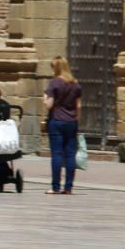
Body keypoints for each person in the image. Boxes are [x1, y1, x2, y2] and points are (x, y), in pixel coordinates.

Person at [44, 56, 82, 195]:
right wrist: (76, 119)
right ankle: (68, 187)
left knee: (57, 154)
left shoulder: (54, 83)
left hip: (57, 121)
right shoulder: (75, 84)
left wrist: (45, 99)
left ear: (57, 68)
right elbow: (78, 105)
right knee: (70, 155)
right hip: (71, 122)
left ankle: (55, 187)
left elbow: (49, 105)